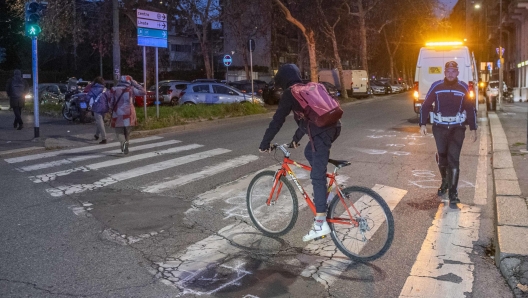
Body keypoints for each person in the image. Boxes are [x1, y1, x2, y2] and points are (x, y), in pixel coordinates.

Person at [259, 64, 341, 241]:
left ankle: (320, 223)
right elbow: (310, 118)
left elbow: (277, 120)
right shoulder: (309, 87)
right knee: (309, 152)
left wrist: (265, 142)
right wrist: (296, 139)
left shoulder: (291, 93)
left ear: (282, 80)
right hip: (334, 127)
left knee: (317, 176)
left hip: (322, 133)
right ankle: (326, 194)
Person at [419, 60, 478, 206]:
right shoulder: (436, 86)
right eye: (448, 71)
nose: (451, 74)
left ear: (457, 73)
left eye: (453, 71)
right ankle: (445, 181)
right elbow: (425, 105)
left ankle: (453, 193)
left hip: (457, 128)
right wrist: (422, 124)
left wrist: (473, 128)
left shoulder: (464, 87)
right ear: (444, 73)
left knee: (454, 158)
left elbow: (470, 108)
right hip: (439, 128)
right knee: (442, 157)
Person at [108, 75, 145, 154]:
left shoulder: (114, 89)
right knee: (127, 132)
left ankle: (123, 143)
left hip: (117, 113)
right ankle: (126, 145)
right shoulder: (131, 89)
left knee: (119, 131)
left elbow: (110, 103)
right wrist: (135, 83)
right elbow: (143, 92)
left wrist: (110, 109)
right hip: (129, 113)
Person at [85, 77, 107, 144]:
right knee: (100, 121)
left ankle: (104, 138)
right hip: (105, 107)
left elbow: (87, 98)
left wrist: (87, 103)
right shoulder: (105, 89)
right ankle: (97, 135)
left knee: (100, 122)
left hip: (97, 107)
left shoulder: (93, 89)